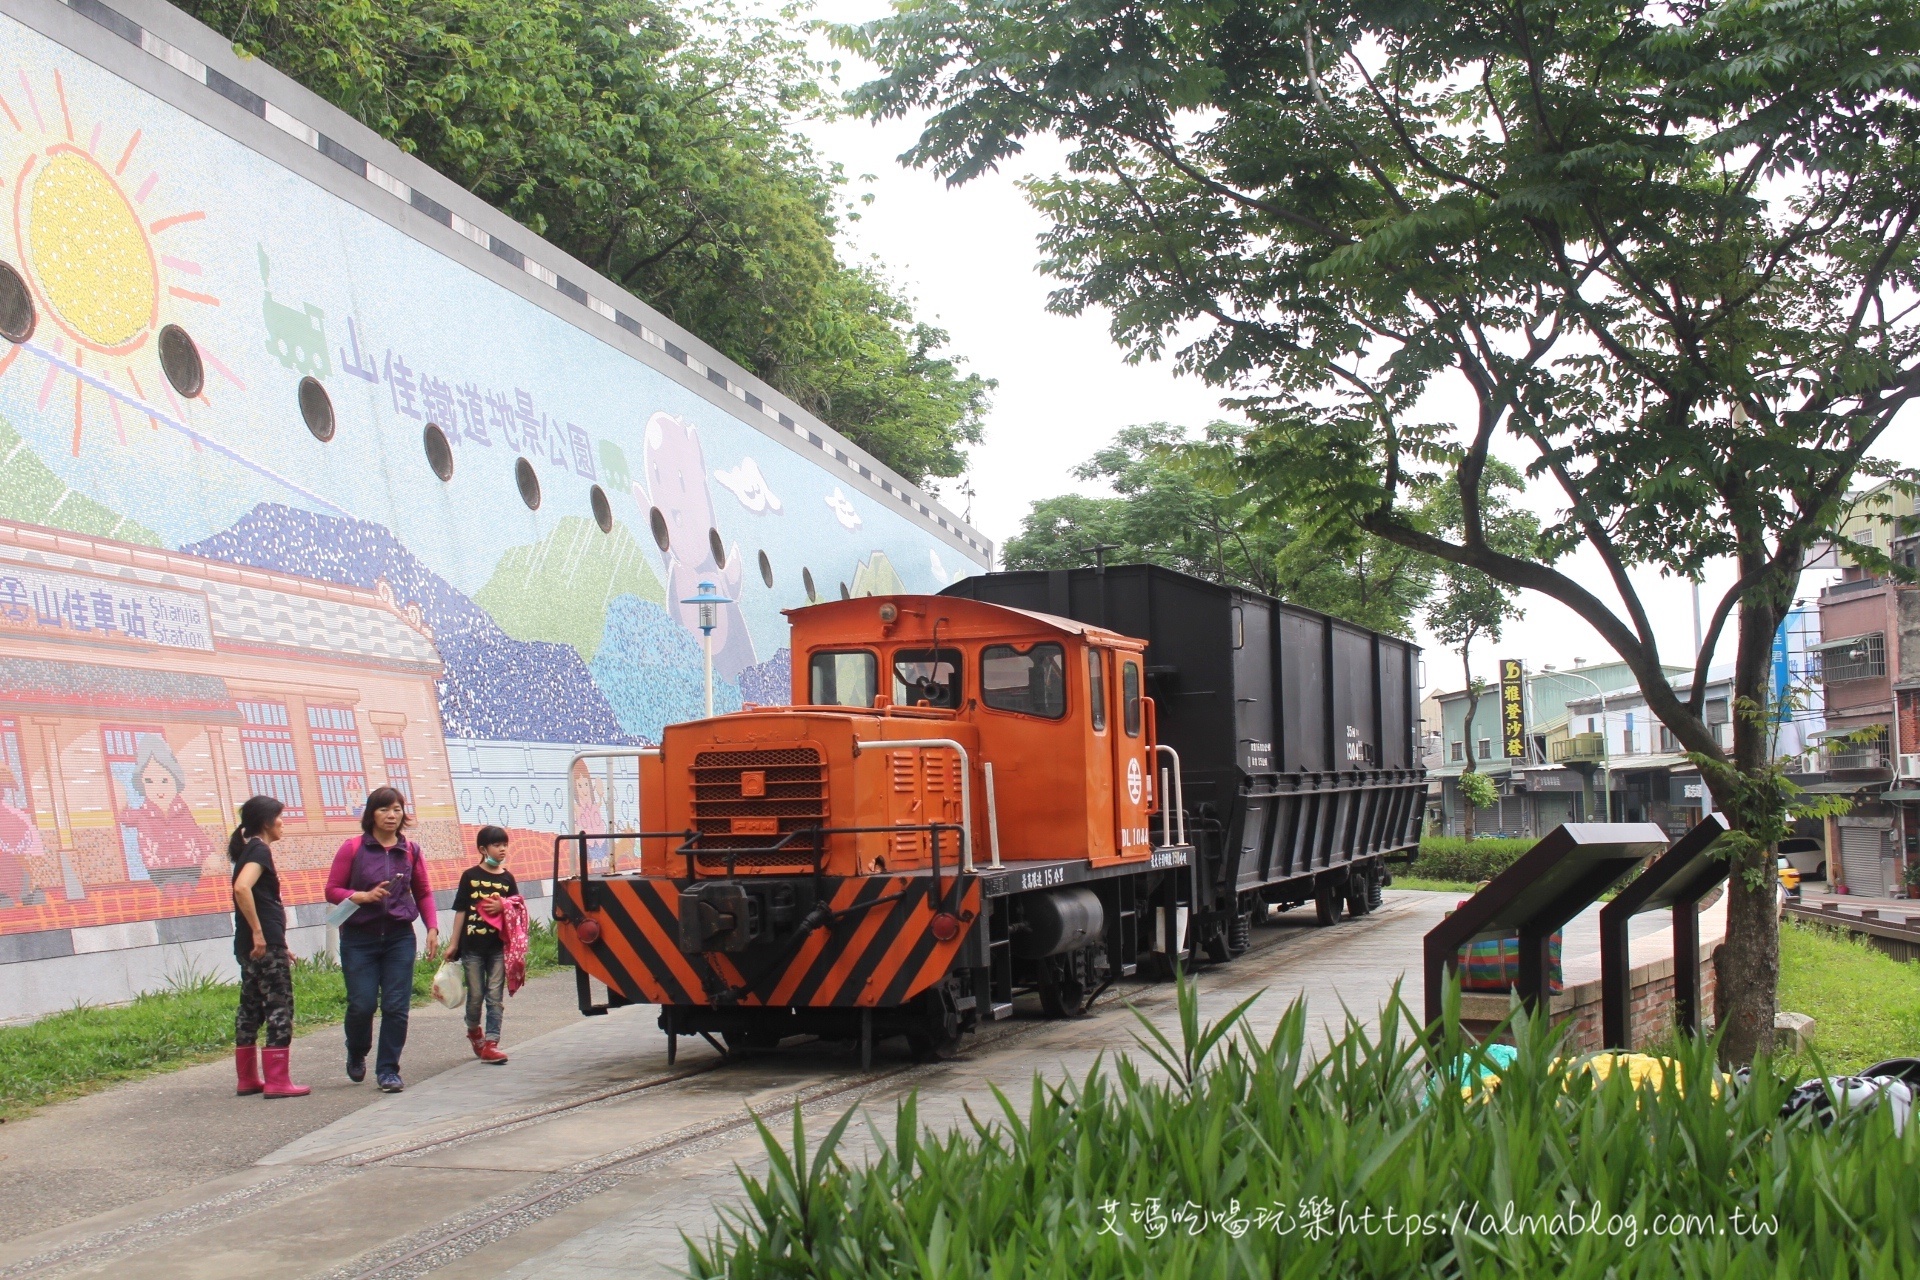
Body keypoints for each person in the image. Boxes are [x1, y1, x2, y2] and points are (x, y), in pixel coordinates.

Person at [325, 787, 438, 1092]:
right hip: (359, 939)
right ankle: (357, 1049)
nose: (391, 816)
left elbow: (424, 892)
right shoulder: (353, 848)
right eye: (384, 810)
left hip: (399, 938)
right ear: (371, 814)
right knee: (361, 1004)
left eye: (397, 810)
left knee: (396, 1006)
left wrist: (431, 928)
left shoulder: (410, 850)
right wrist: (360, 896)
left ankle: (388, 1069)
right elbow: (332, 890)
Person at [230, 795, 308, 1098]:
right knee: (279, 1006)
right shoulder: (259, 850)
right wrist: (260, 934)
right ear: (265, 821)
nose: (282, 823)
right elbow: (242, 888)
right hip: (261, 945)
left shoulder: (249, 850)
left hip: (254, 947)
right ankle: (277, 1081)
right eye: (279, 817)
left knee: (250, 1007)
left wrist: (278, 944)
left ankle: (247, 1079)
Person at [445, 826, 518, 1064]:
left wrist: (504, 906)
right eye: (497, 845)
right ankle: (474, 1030)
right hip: (472, 949)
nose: (502, 849)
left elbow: (517, 908)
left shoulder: (507, 878)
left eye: (505, 845)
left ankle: (492, 1043)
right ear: (482, 849)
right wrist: (454, 944)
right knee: (476, 995)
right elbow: (461, 911)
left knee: (494, 995)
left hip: (497, 948)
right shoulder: (470, 876)